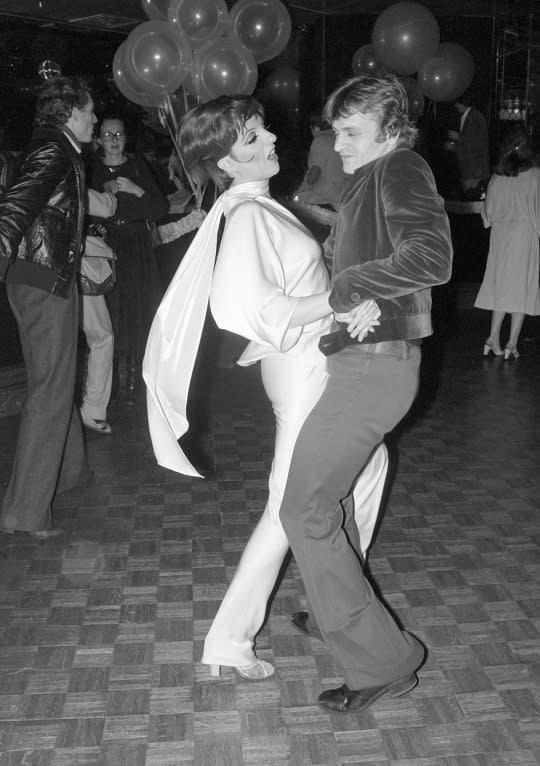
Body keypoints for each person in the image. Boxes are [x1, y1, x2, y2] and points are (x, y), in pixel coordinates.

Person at [143, 94, 389, 679]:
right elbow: (244, 306)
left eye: (262, 129)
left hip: (313, 359)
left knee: (369, 464)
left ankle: (325, 593)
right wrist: (336, 299)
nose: (270, 139)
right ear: (224, 164)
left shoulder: (257, 203)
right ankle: (231, 637)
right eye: (251, 139)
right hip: (303, 368)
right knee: (290, 504)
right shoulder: (248, 213)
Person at [276, 72, 453, 713]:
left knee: (305, 510)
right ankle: (336, 615)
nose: (339, 144)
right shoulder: (371, 179)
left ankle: (386, 660)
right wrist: (366, 291)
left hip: (375, 372)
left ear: (389, 131)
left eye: (351, 133)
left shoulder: (400, 166)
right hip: (365, 363)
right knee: (333, 504)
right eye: (336, 131)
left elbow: (431, 255)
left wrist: (355, 290)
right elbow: (377, 262)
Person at [0, 76, 98, 539]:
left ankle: (67, 475)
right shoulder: (52, 150)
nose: (95, 119)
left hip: (42, 276)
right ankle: (24, 511)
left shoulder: (54, 148)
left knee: (58, 377)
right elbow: (15, 207)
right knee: (50, 387)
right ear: (71, 114)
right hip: (43, 280)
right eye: (90, 111)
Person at [90, 116, 168, 402]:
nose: (113, 139)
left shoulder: (137, 166)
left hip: (136, 246)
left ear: (126, 138)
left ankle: (138, 382)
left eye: (119, 134)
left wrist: (137, 190)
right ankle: (106, 387)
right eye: (107, 134)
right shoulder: (92, 169)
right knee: (109, 313)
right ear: (98, 139)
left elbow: (159, 209)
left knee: (139, 310)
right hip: (105, 246)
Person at [475, 125, 540, 358]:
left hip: (500, 236)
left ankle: (492, 338)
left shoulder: (496, 178)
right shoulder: (534, 175)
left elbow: (487, 215)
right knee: (521, 288)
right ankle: (511, 343)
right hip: (524, 236)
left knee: (501, 287)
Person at [79, 189, 118, 434]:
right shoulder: (62, 166)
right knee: (102, 337)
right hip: (73, 265)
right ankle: (92, 409)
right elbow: (106, 207)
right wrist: (110, 191)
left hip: (32, 269)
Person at [445, 91, 490, 197]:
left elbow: (475, 145)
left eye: (457, 103)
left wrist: (457, 139)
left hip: (474, 171)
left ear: (463, 103)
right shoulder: (470, 117)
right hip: (471, 170)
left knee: (472, 203)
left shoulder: (473, 118)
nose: (456, 106)